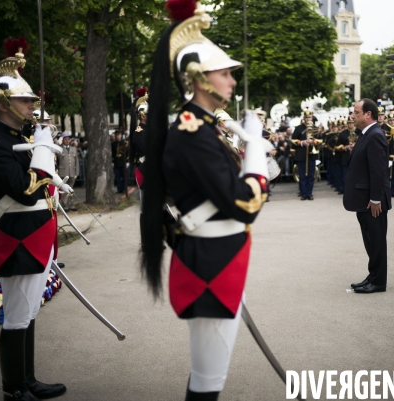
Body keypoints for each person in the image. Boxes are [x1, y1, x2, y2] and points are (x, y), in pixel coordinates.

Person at [140, 2, 270, 399]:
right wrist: (256, 153)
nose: (232, 80)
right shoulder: (192, 131)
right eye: (225, 72)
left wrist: (247, 143)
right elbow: (243, 202)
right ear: (198, 78)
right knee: (207, 383)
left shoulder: (205, 128)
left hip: (220, 258)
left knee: (211, 378)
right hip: (210, 264)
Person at [0, 41, 69, 400]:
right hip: (18, 237)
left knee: (29, 313)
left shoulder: (19, 137)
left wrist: (43, 150)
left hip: (37, 235)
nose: (32, 106)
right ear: (2, 102)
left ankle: (28, 379)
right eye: (25, 100)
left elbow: (43, 186)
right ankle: (14, 389)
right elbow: (25, 190)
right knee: (16, 317)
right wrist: (42, 148)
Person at [344, 99, 391, 294]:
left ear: (368, 115)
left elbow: (378, 171)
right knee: (370, 240)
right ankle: (372, 276)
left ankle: (379, 281)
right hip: (364, 200)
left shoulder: (375, 135)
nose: (353, 116)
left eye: (356, 112)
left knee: (377, 240)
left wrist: (375, 199)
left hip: (372, 201)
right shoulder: (366, 134)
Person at [292, 108, 320, 200]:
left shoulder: (315, 129)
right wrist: (302, 142)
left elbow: (321, 140)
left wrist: (313, 141)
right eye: (306, 118)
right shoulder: (298, 128)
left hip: (312, 155)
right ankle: (303, 194)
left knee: (311, 176)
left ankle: (309, 193)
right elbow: (293, 140)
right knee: (302, 175)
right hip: (301, 154)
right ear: (304, 118)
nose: (308, 119)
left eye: (310, 117)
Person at [55, 132, 79, 211]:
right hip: (63, 172)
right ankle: (65, 205)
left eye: (68, 139)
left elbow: (76, 161)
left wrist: (76, 172)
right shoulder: (59, 148)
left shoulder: (73, 148)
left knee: (71, 189)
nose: (67, 140)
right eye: (65, 139)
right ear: (63, 140)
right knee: (64, 189)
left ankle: (71, 204)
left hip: (71, 172)